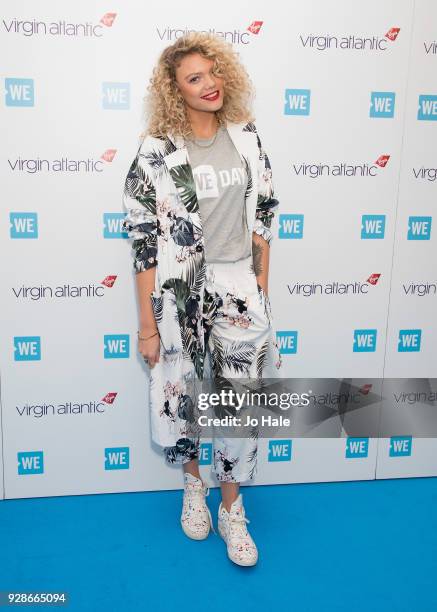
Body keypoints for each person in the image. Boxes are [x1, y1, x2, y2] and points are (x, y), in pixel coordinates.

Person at [122, 32, 282, 567]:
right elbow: (143, 243)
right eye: (195, 78)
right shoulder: (156, 150)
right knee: (182, 391)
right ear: (175, 90)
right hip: (180, 287)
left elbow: (264, 217)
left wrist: (260, 288)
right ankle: (194, 486)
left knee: (241, 398)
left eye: (213, 72)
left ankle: (232, 509)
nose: (209, 84)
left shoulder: (246, 134)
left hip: (239, 284)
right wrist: (148, 326)